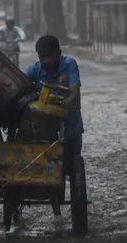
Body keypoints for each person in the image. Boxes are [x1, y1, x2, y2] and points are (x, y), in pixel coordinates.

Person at [24, 34, 84, 172]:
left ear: (58, 54)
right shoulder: (35, 69)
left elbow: (74, 93)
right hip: (45, 123)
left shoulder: (69, 64)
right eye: (41, 57)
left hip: (70, 120)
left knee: (74, 161)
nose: (45, 61)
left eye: (49, 56)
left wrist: (60, 108)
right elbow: (20, 82)